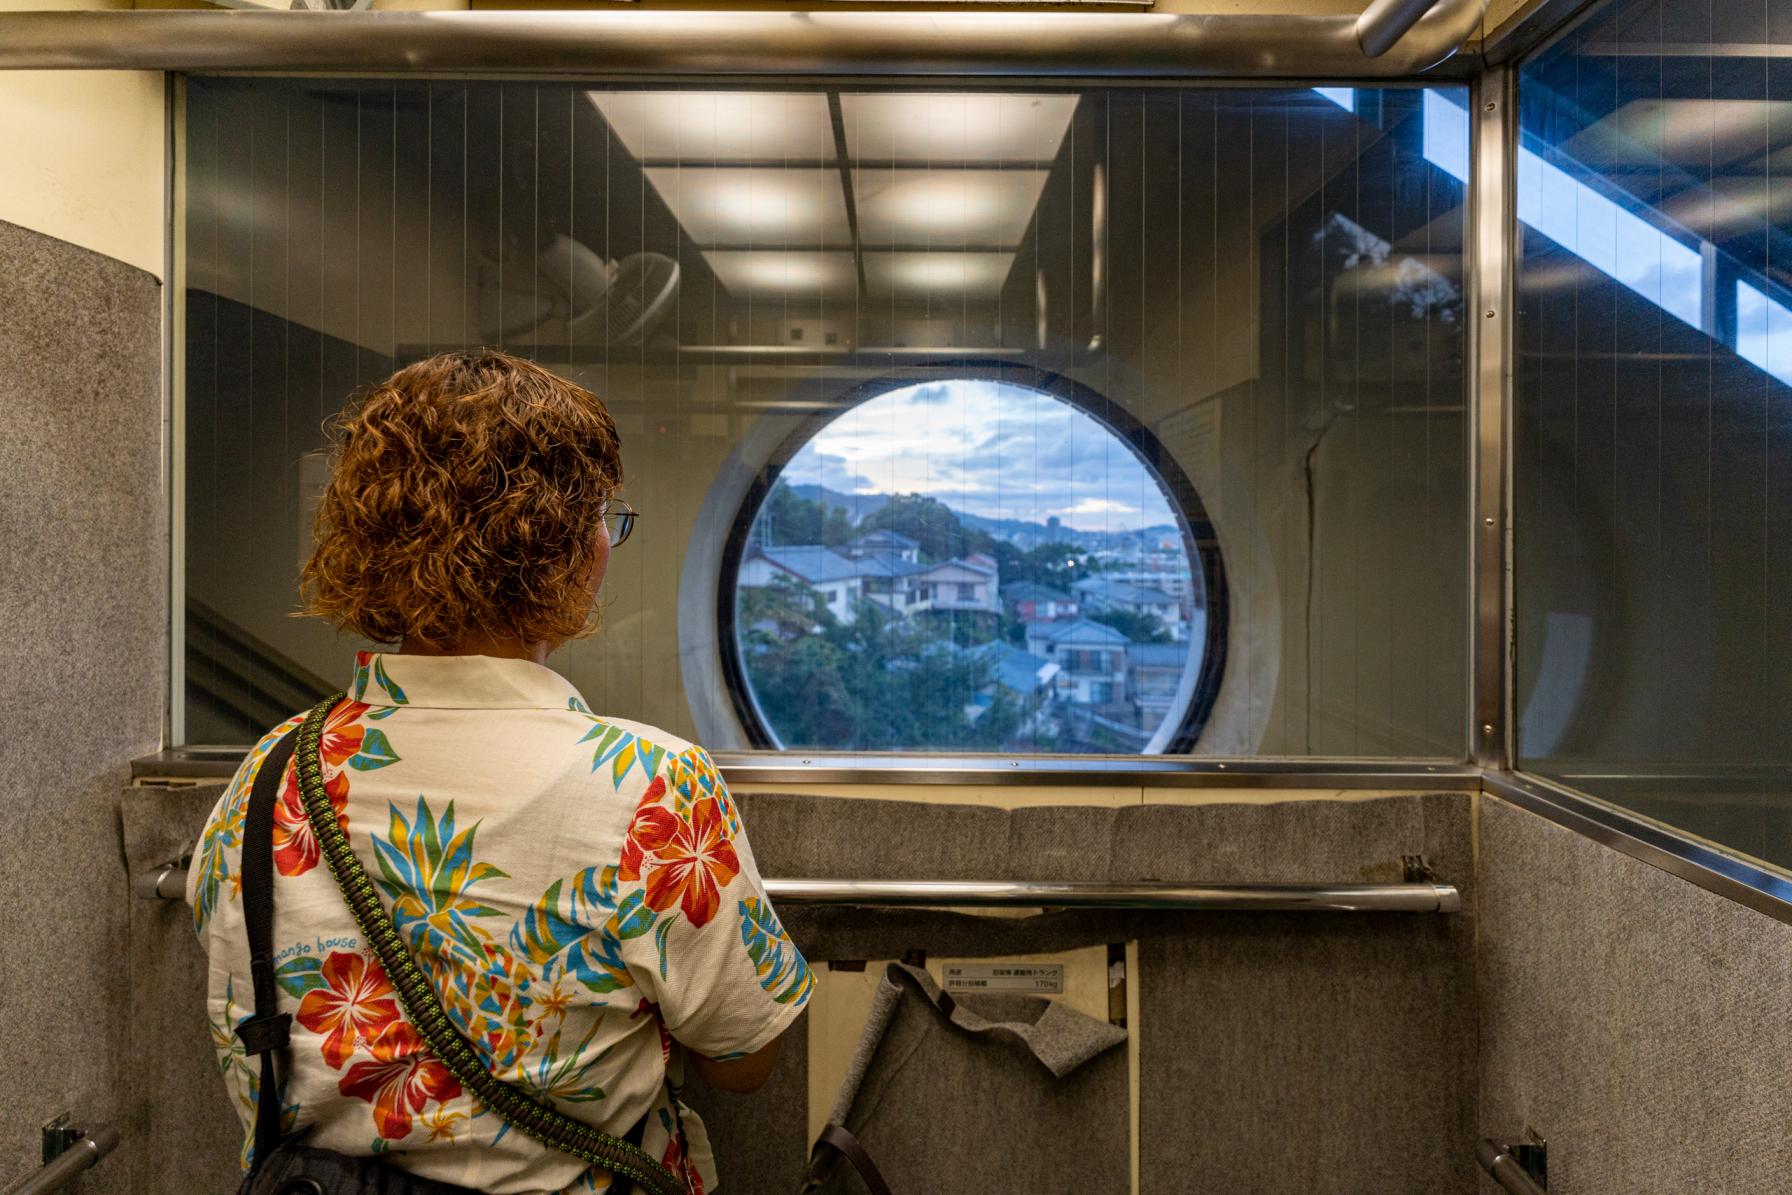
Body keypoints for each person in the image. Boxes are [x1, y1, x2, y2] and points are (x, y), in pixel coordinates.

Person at [188, 350, 811, 1194]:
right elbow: (743, 1057)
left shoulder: (267, 779)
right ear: (570, 548)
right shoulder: (650, 789)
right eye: (604, 515)